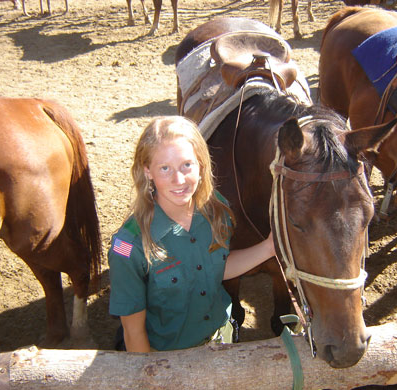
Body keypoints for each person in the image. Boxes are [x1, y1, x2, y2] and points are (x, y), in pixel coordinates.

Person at [108, 115, 275, 352]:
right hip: (168, 358)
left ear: (201, 164)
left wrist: (269, 247)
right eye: (165, 168)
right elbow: (133, 333)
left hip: (222, 342)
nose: (179, 180)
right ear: (147, 171)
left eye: (187, 165)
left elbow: (216, 267)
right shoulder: (127, 246)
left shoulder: (217, 209)